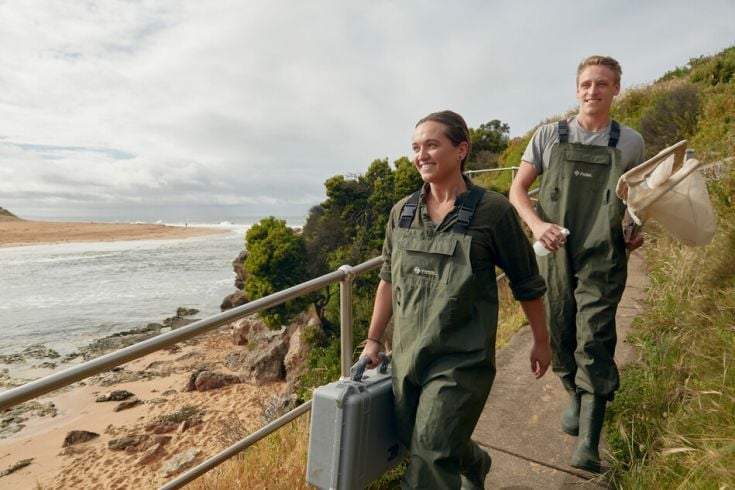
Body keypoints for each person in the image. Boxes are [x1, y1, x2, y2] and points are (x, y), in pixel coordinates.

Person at [360, 110, 551, 488]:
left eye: (432, 144)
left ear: (461, 150)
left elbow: (527, 282)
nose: (421, 155)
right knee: (419, 438)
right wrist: (372, 339)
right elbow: (387, 280)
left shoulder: (493, 212)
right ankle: (475, 463)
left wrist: (542, 341)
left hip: (463, 361)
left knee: (430, 454)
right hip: (409, 355)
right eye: (416, 147)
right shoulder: (402, 213)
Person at [508, 55, 645, 473]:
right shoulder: (550, 135)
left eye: (602, 84)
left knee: (596, 338)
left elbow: (637, 198)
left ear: (616, 89)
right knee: (559, 334)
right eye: (586, 84)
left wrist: (634, 226)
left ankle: (588, 443)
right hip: (555, 253)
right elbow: (517, 190)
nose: (593, 91)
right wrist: (536, 224)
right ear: (576, 88)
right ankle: (575, 394)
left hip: (603, 254)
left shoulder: (630, 142)